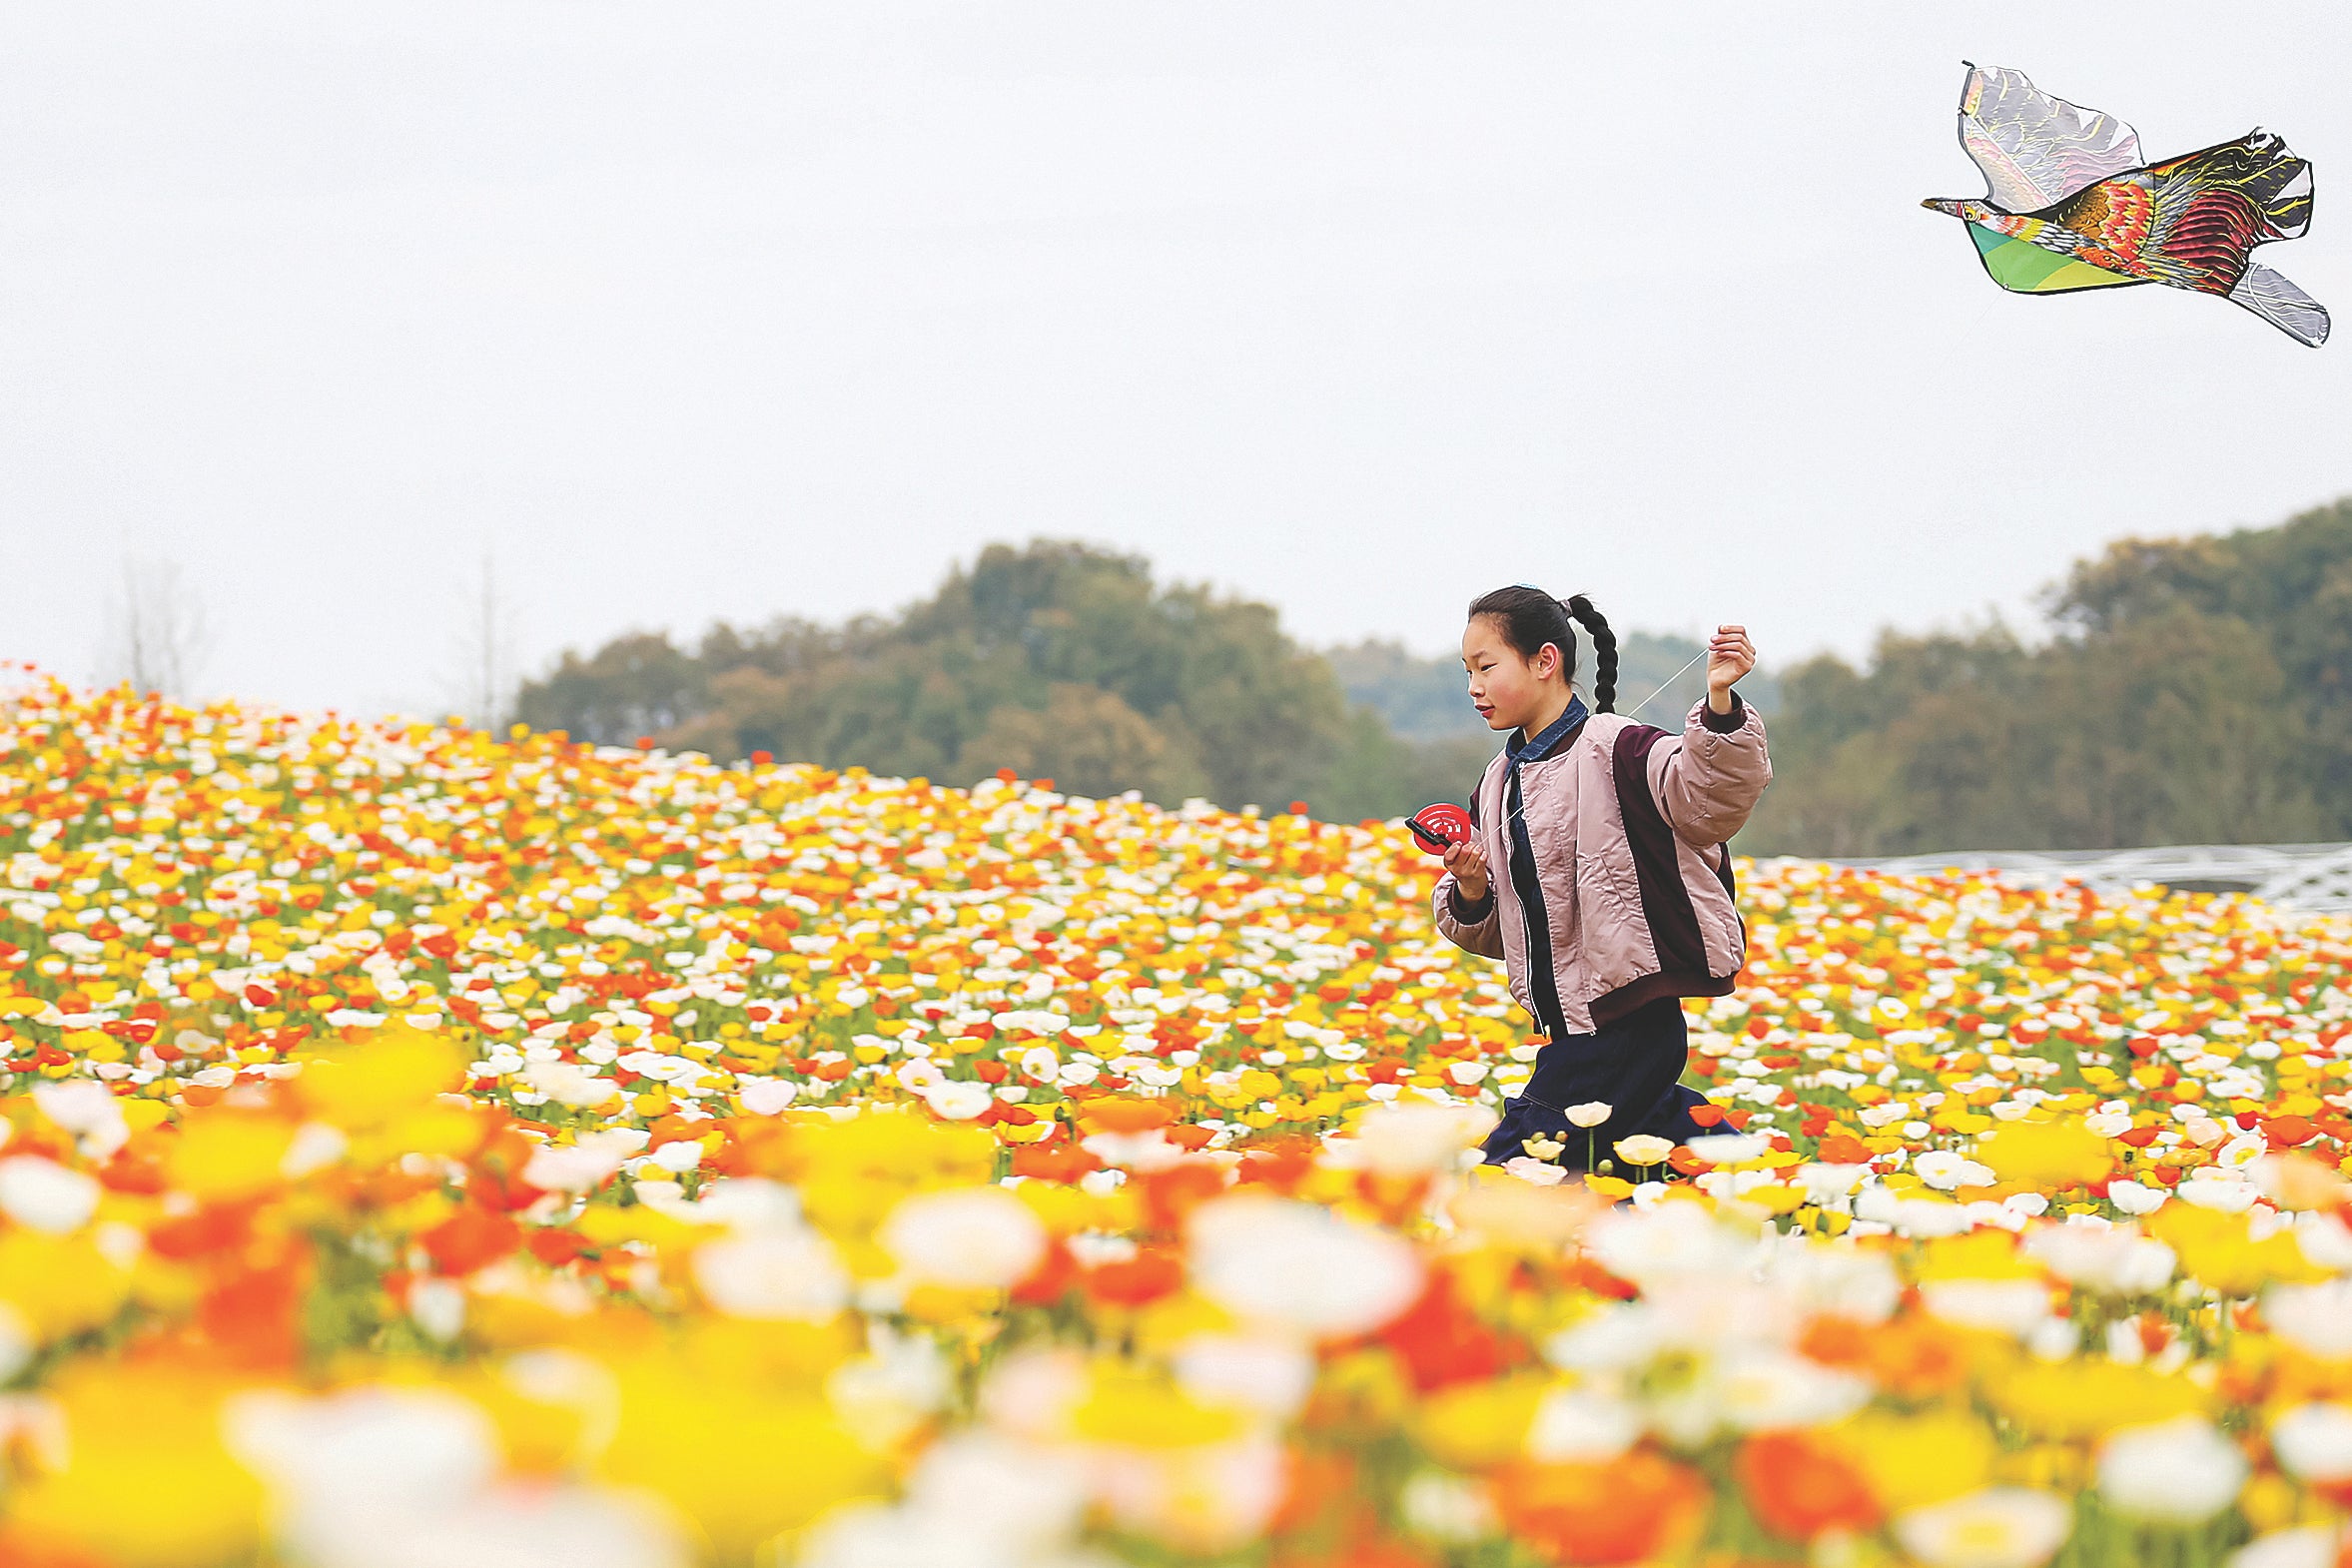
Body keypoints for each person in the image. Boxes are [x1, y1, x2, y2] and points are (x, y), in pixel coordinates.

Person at [1432, 587, 1769, 1172]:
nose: (1473, 688)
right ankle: (1785, 1198)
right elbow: (1496, 929)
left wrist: (1719, 704)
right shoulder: (1496, 784)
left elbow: (1710, 800)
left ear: (1544, 661)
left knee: (1514, 1171)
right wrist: (1469, 887)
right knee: (1664, 1153)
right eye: (1467, 671)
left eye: (1487, 667)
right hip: (1573, 1026)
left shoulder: (1620, 749)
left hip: (1627, 1019)